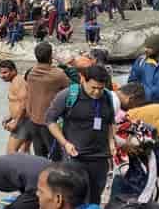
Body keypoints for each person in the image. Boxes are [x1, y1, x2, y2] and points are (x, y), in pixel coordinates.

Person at [46, 64, 116, 205]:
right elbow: (50, 120)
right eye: (93, 88)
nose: (97, 92)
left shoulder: (107, 97)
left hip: (100, 158)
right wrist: (65, 143)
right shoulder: (68, 95)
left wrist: (111, 142)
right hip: (75, 157)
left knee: (95, 197)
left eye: (100, 88)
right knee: (75, 196)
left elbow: (110, 122)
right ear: (83, 79)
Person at [26, 43, 70, 160]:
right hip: (50, 123)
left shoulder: (31, 73)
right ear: (51, 56)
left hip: (34, 120)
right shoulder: (58, 74)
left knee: (40, 157)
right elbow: (70, 90)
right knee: (56, 157)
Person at [0, 60, 31, 154]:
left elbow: (24, 102)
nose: (2, 75)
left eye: (5, 72)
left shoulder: (18, 82)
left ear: (14, 71)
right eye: (1, 72)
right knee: (24, 151)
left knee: (10, 152)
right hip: (24, 120)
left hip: (23, 121)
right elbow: (19, 102)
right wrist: (10, 116)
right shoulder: (15, 81)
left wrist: (15, 122)